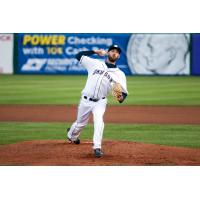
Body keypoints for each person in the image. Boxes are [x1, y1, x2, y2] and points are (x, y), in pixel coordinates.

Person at [67, 45, 128, 158]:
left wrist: (116, 91)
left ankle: (97, 147)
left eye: (117, 52)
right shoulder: (95, 63)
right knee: (80, 124)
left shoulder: (120, 74)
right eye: (112, 51)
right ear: (107, 53)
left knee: (99, 122)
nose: (115, 53)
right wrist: (95, 51)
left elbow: (122, 97)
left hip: (100, 102)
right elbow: (78, 55)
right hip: (85, 100)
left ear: (119, 56)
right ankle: (72, 135)